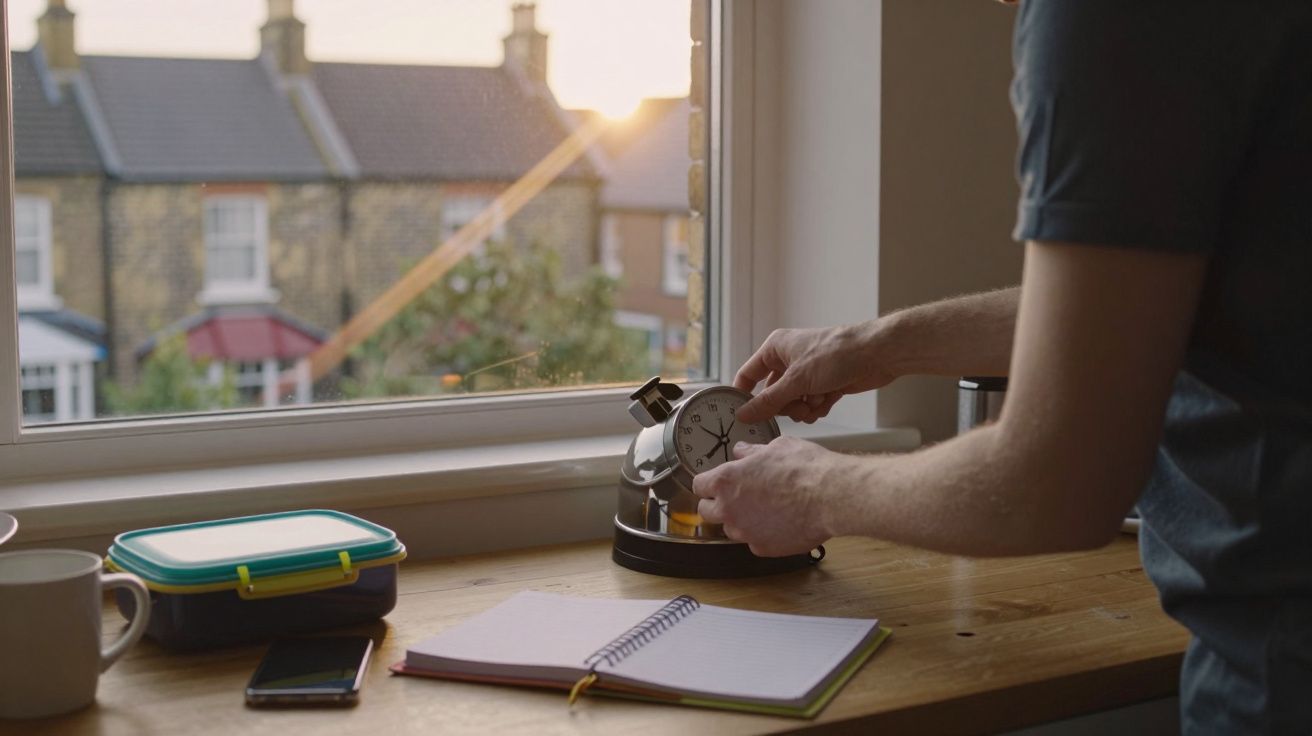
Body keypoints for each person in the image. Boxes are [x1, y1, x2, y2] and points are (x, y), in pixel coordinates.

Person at [690, 2, 1311, 733]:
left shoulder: (1114, 20)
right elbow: (1139, 302)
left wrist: (816, 489)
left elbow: (1059, 480)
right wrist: (878, 344)